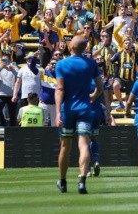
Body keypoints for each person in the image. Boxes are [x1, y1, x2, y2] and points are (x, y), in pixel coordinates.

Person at [55, 35, 104, 194]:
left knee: (65, 146)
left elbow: (60, 89)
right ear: (85, 49)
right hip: (85, 109)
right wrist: (94, 96)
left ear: (70, 47)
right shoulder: (91, 64)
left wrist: (57, 112)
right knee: (84, 145)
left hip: (67, 110)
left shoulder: (61, 64)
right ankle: (82, 180)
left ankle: (62, 181)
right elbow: (100, 87)